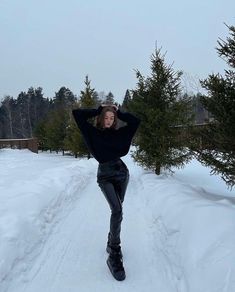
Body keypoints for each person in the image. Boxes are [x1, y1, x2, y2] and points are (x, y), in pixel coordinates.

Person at [72, 104, 140, 281]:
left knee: (118, 210)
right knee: (116, 210)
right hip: (105, 176)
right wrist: (98, 109)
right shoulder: (92, 133)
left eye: (112, 118)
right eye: (106, 117)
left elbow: (135, 122)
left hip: (122, 173)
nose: (109, 121)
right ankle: (114, 253)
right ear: (101, 118)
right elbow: (77, 114)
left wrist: (120, 112)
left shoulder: (119, 134)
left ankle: (111, 243)